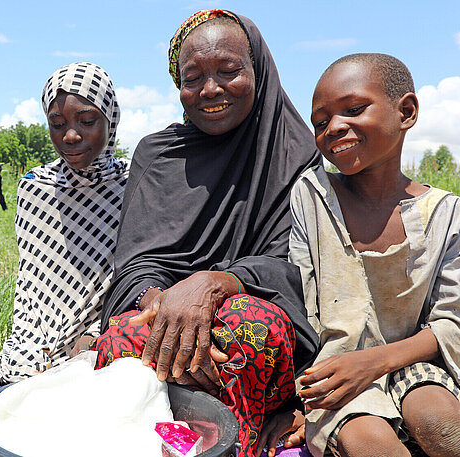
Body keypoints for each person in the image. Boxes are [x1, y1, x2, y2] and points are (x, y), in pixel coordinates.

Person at [94, 10, 320, 456]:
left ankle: (240, 446)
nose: (210, 90)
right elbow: (135, 263)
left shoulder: (296, 153)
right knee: (124, 338)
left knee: (247, 329)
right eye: (192, 77)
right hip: (162, 316)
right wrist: (159, 304)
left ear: (258, 68)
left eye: (229, 71)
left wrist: (213, 284)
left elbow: (297, 268)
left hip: (256, 321)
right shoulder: (158, 154)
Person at [290, 53, 460, 457]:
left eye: (353, 109)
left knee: (439, 419)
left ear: (406, 111)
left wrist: (373, 362)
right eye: (320, 122)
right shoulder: (311, 197)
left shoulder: (447, 214)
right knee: (369, 441)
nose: (334, 127)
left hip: (419, 363)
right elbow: (299, 307)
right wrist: (296, 398)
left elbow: (451, 324)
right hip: (332, 373)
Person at [0, 62, 128, 399]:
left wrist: (96, 335)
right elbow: (30, 284)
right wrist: (33, 346)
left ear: (110, 120)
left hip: (110, 335)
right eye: (57, 124)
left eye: (87, 122)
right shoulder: (35, 189)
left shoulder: (133, 187)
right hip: (36, 337)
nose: (70, 136)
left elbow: (134, 278)